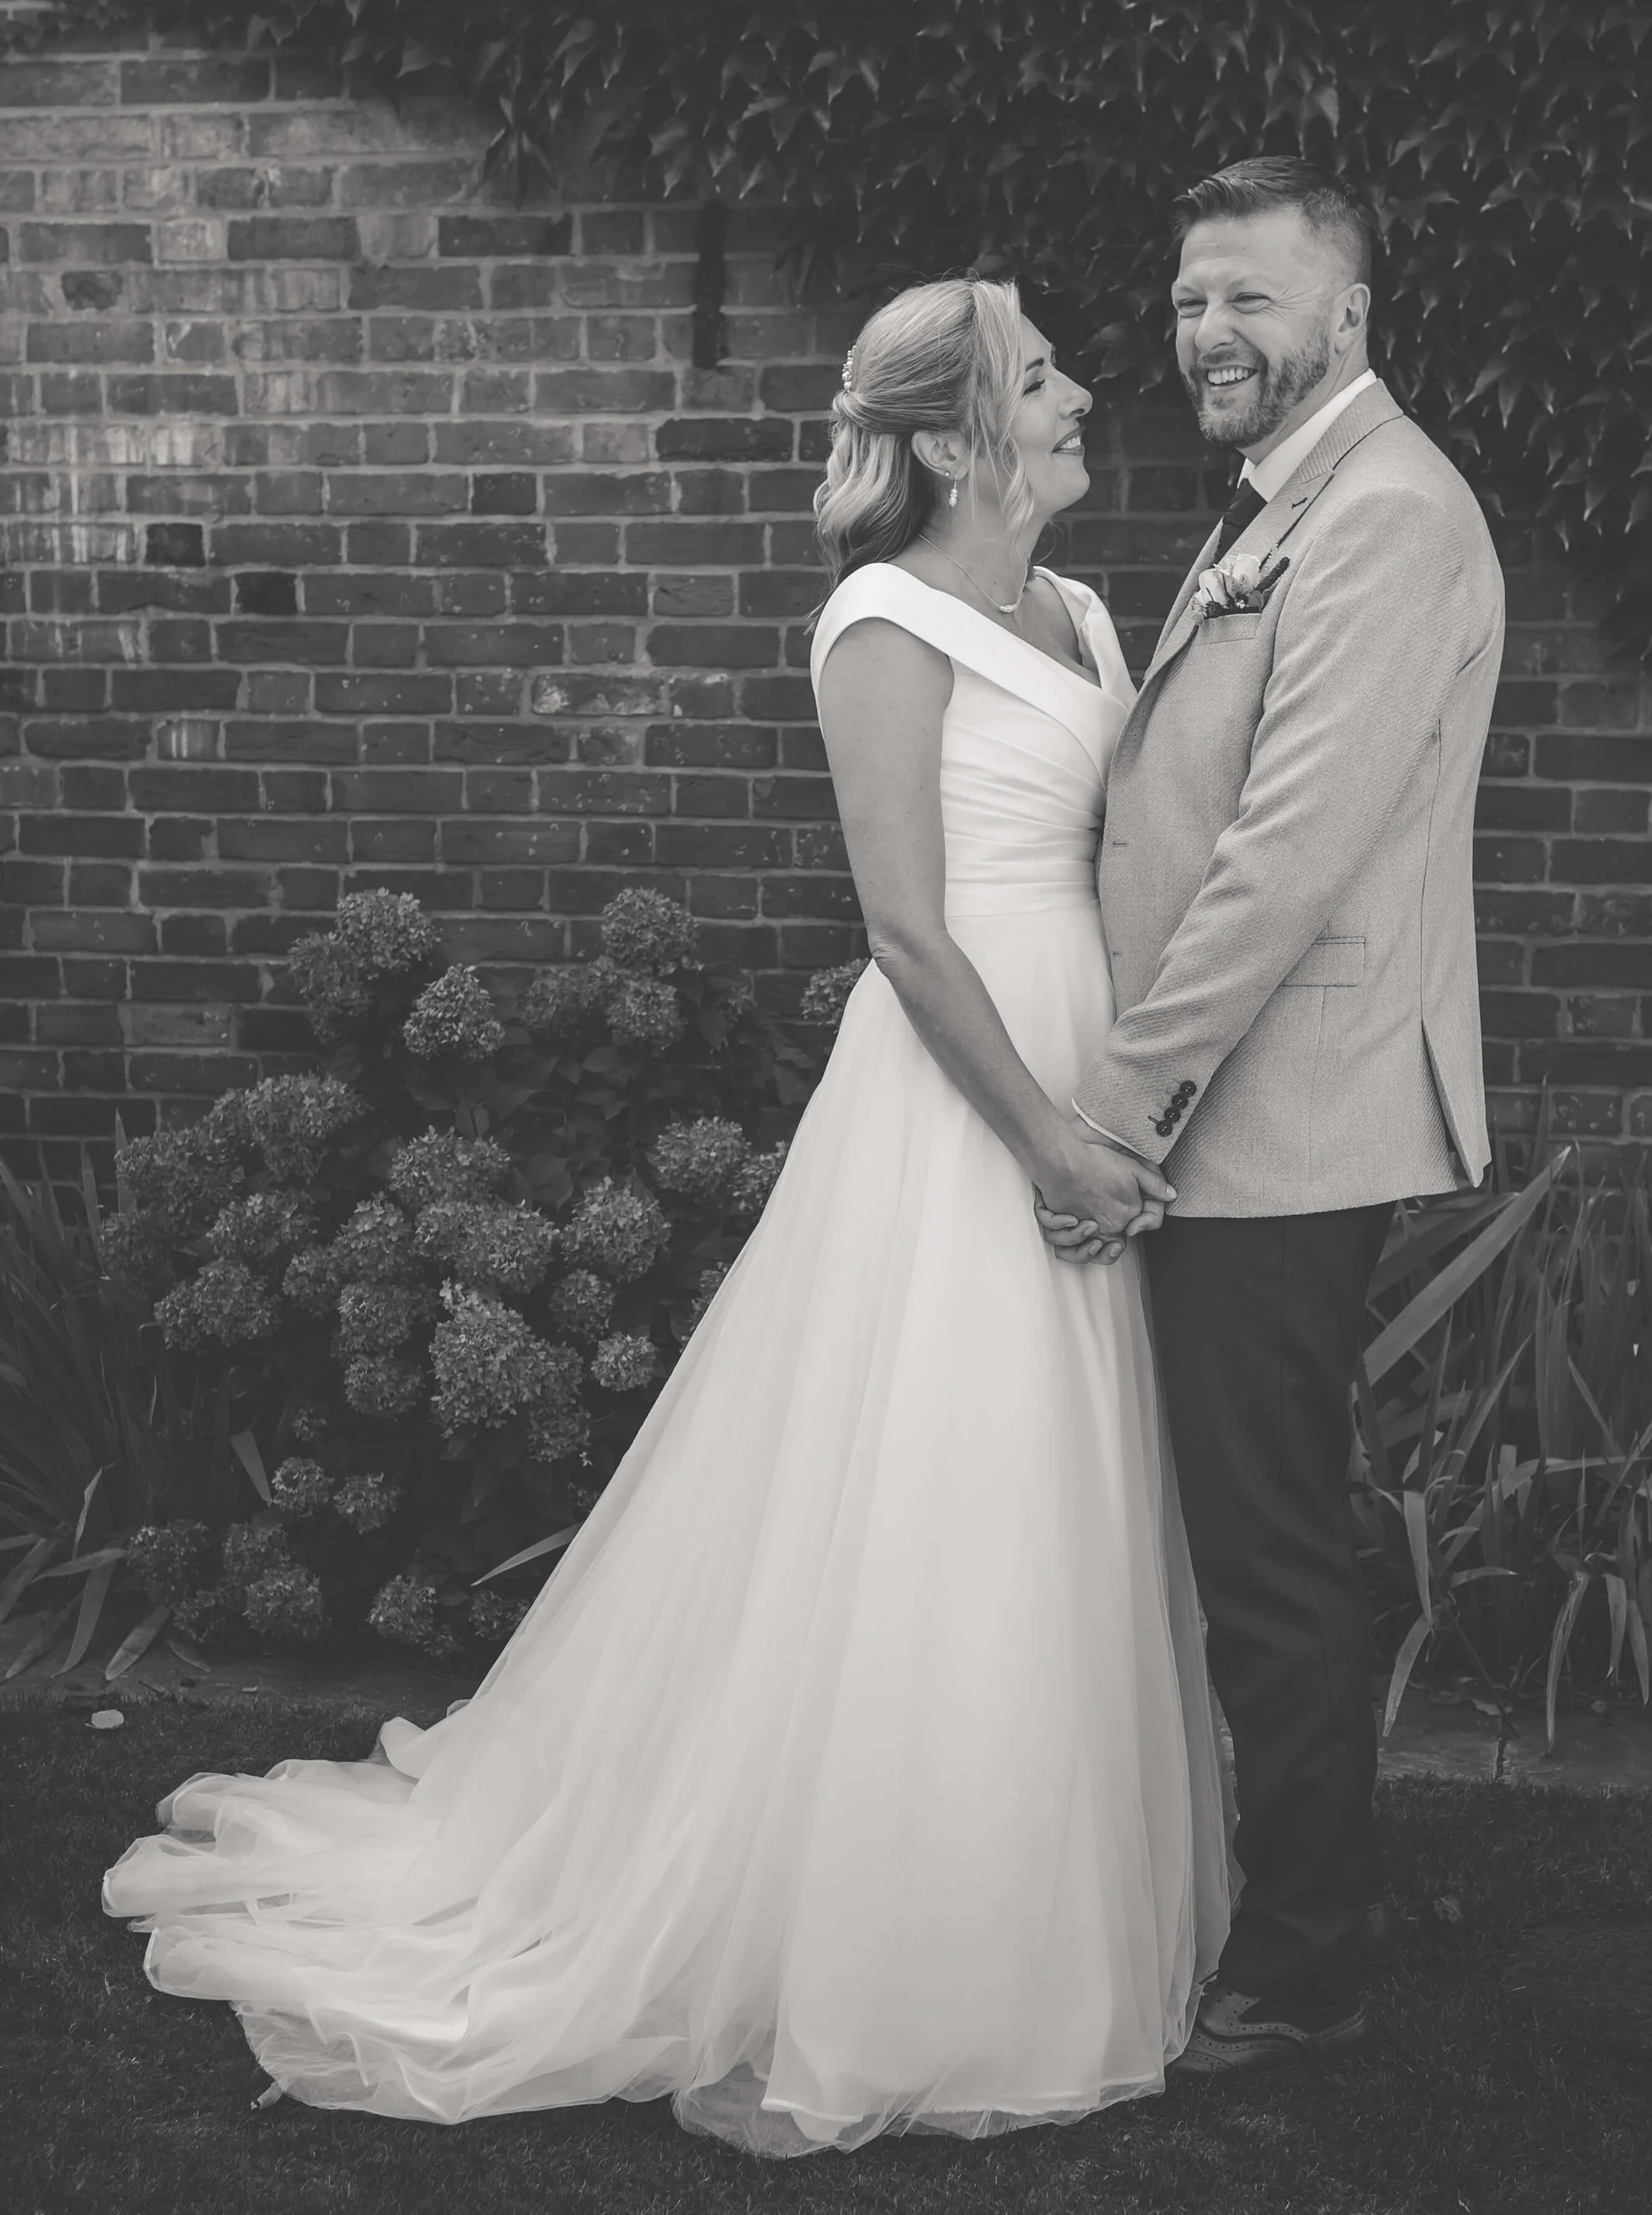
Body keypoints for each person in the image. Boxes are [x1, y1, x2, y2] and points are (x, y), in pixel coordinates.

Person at [102, 277, 1230, 2157]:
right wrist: (1039, 1135)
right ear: (957, 436)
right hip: (963, 1103)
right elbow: (902, 928)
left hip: (1082, 1069)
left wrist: (1130, 1088)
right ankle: (880, 1947)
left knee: (1055, 1495)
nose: (1084, 390)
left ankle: (1018, 1893)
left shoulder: (1088, 612)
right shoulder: (877, 622)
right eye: (1042, 376)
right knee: (933, 1489)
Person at [1039, 156, 1504, 2071]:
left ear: (1346, 317)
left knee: (1264, 1548)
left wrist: (1119, 1105)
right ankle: (1264, 1901)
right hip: (1228, 1112)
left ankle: (1300, 1964)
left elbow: (1282, 856)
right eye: (1184, 300)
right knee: (1243, 1531)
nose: (1204, 333)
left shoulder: (1383, 515)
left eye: (1246, 298)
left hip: (1273, 1115)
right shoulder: (1287, 497)